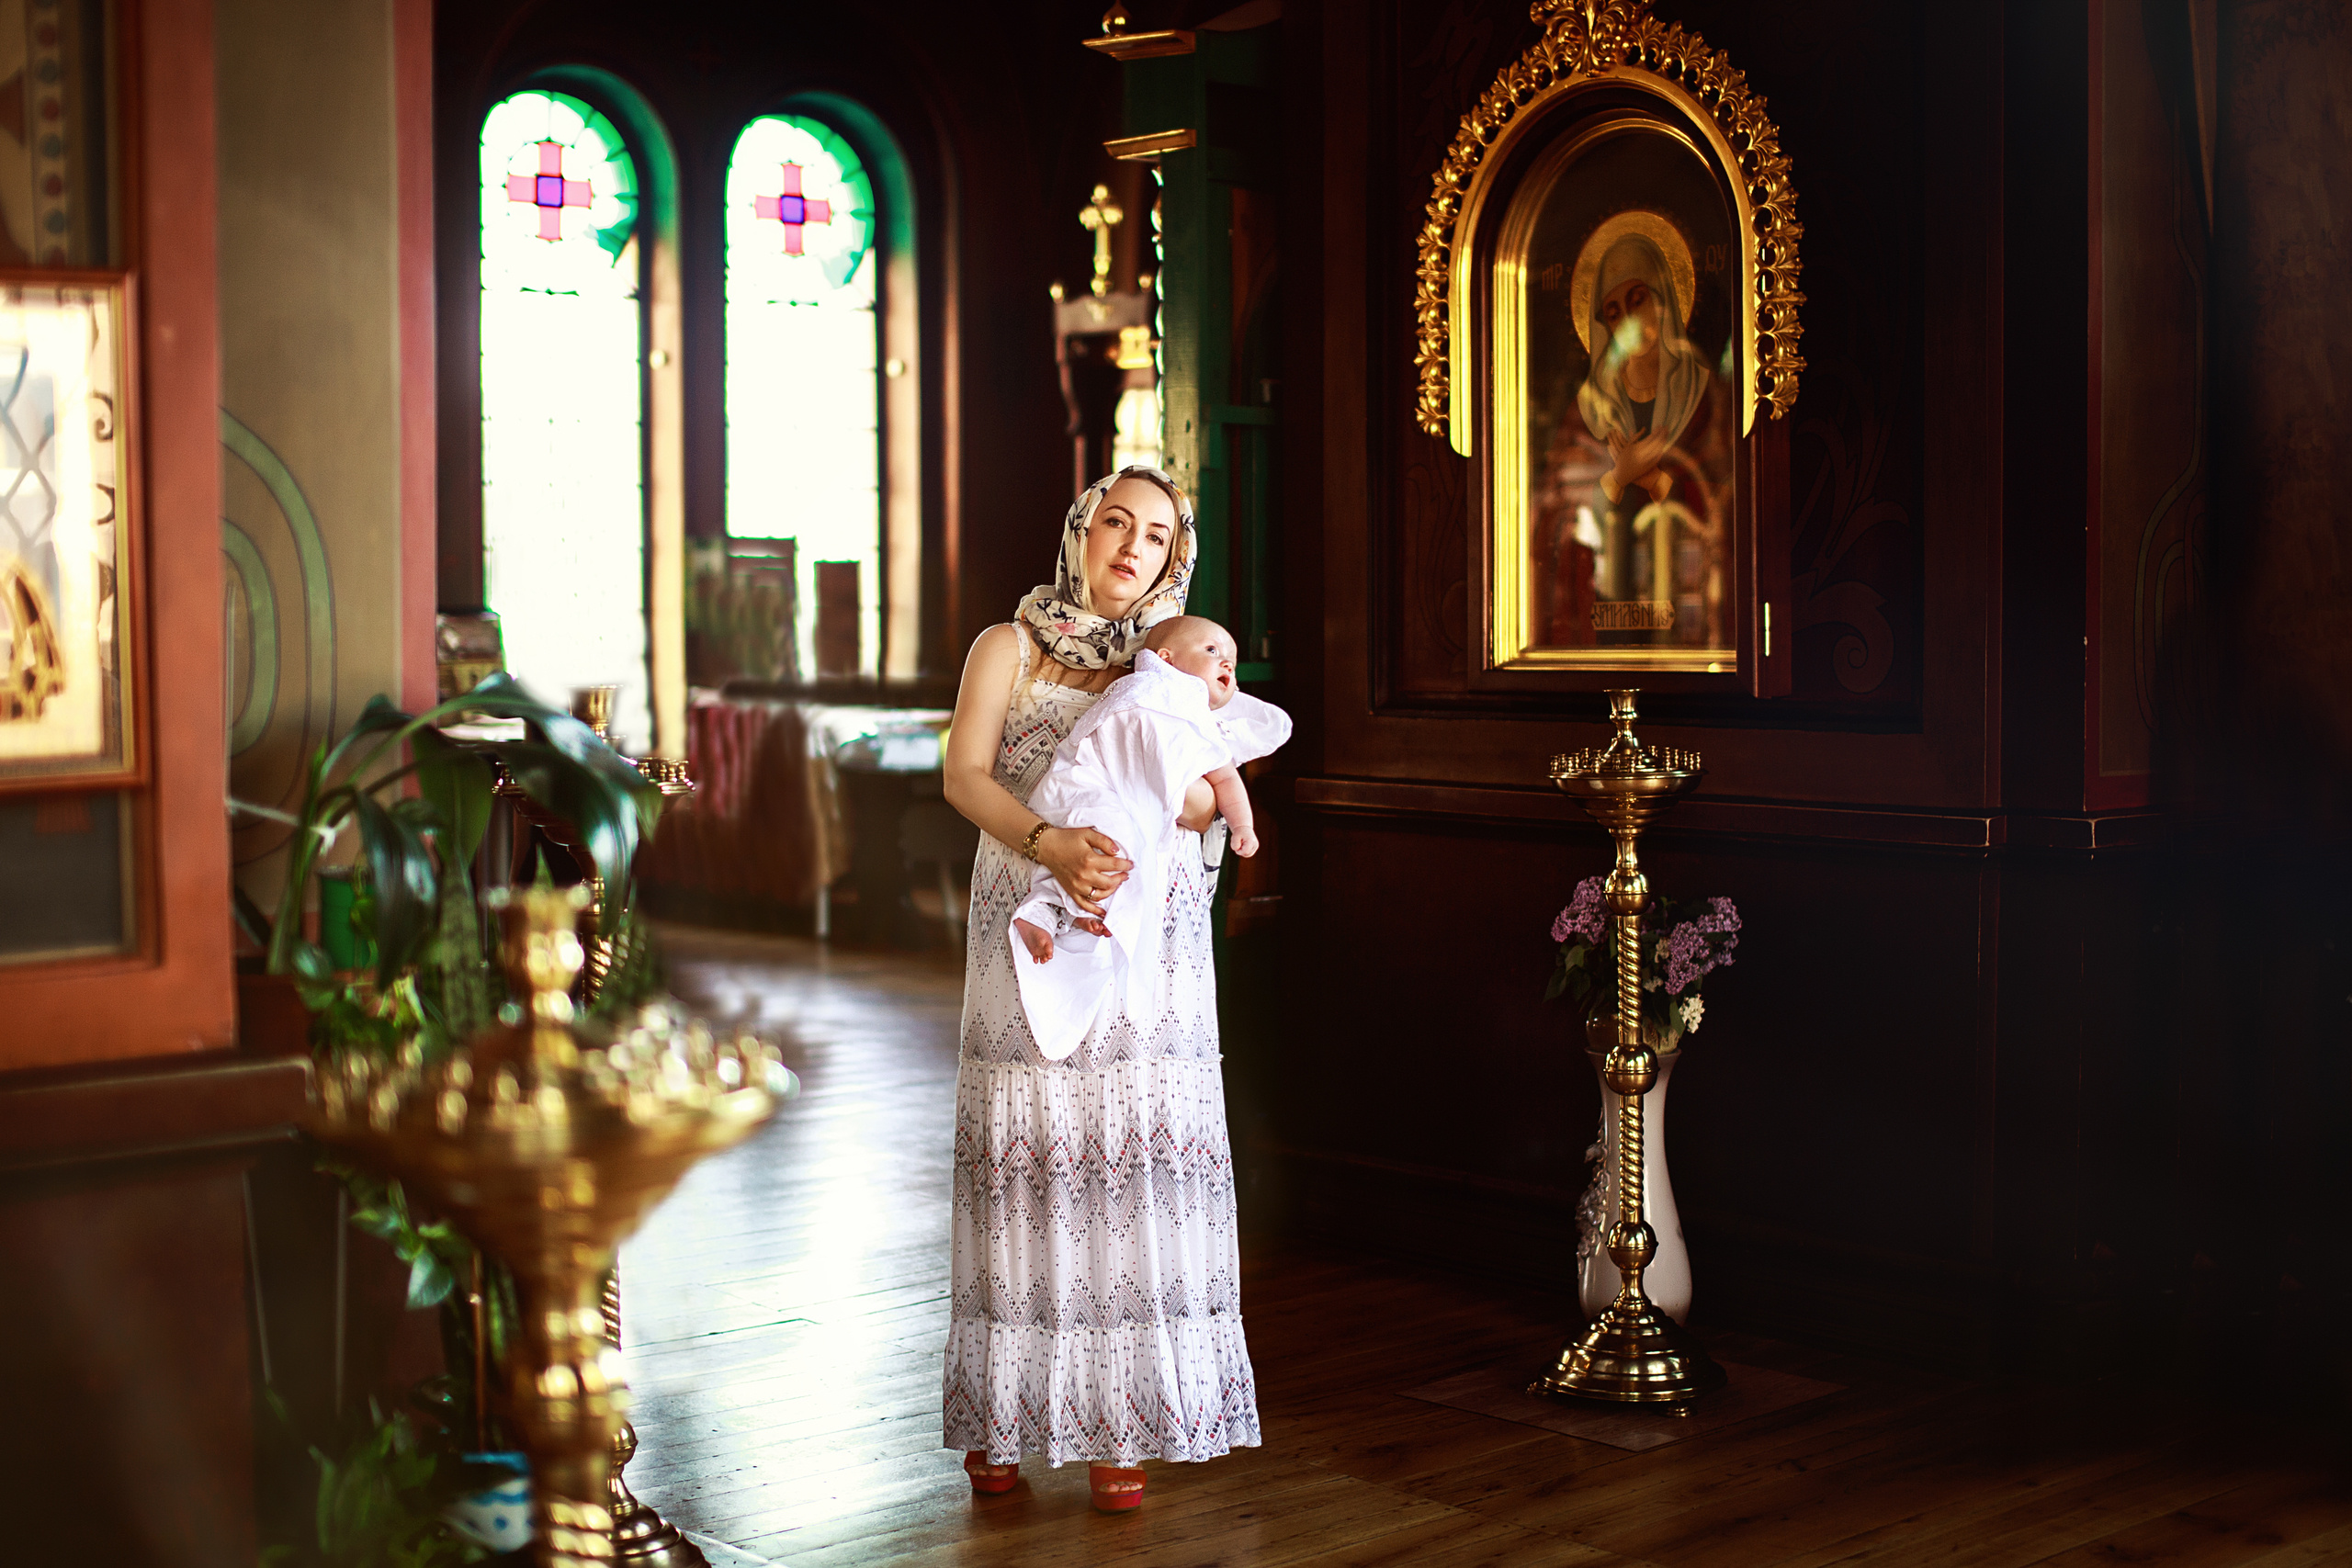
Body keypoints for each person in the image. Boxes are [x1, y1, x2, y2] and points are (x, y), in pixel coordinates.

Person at [937, 468, 1263, 1514]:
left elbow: (1213, 781)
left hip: (1147, 932)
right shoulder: (1011, 644)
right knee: (1031, 1155)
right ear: (1080, 529)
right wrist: (1051, 842)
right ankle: (1002, 1415)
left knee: (1128, 1161)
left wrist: (1203, 808)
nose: (1133, 543)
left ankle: (1121, 1418)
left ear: (1177, 557)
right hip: (1030, 899)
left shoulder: (1181, 660)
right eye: (1115, 521)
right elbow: (964, 775)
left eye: (1157, 533)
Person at [1007, 615, 1292, 1061]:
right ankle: (1057, 910)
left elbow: (1225, 780)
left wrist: (1244, 825)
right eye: (1213, 651)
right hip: (1085, 778)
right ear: (1164, 660)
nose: (1227, 664)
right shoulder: (1143, 692)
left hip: (1087, 798)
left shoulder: (1196, 720)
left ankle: (1045, 913)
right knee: (1101, 847)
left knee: (1108, 852)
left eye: (1232, 661)